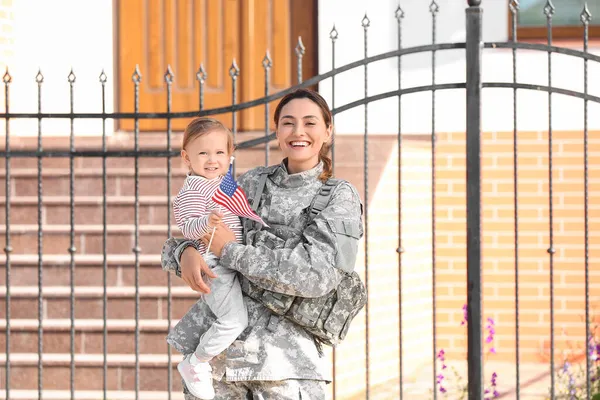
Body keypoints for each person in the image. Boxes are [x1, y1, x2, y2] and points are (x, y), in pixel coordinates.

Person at [161, 88, 364, 399]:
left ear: (328, 131)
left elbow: (316, 275)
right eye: (288, 123)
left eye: (310, 123)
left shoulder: (338, 196)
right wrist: (183, 252)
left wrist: (230, 251)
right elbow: (199, 224)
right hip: (220, 367)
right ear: (276, 130)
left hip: (285, 367)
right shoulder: (251, 182)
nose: (298, 132)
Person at [171, 117, 248, 400]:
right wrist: (206, 221)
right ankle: (196, 363)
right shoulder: (193, 188)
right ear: (186, 157)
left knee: (236, 317)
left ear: (230, 155)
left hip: (231, 261)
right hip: (215, 266)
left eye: (219, 152)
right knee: (233, 321)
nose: (211, 159)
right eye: (202, 153)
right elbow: (188, 227)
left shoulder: (221, 182)